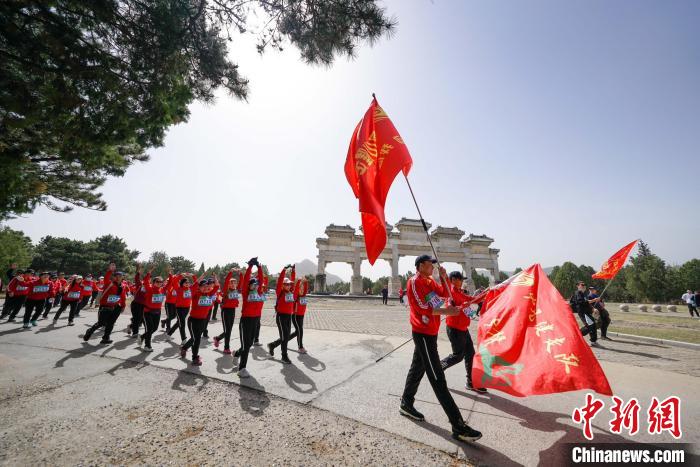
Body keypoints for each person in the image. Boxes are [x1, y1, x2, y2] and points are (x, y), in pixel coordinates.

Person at [399, 254, 482, 443]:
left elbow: (444, 295)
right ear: (421, 265)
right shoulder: (414, 281)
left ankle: (406, 403)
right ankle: (458, 425)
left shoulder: (430, 281)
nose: (433, 267)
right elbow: (421, 308)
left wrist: (444, 279)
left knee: (417, 368)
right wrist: (447, 311)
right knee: (437, 378)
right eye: (430, 264)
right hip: (423, 334)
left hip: (431, 332)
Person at [440, 271, 487, 393]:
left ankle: (471, 382)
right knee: (457, 356)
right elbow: (449, 309)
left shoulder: (461, 293)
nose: (462, 282)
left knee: (470, 355)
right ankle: (438, 368)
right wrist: (460, 307)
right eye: (460, 279)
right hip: (455, 329)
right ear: (454, 280)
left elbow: (473, 300)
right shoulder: (450, 293)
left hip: (463, 329)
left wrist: (487, 293)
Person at [235, 258, 265, 378]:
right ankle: (242, 369)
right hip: (246, 321)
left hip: (256, 321)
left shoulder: (260, 294)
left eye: (256, 284)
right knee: (246, 346)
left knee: (248, 344)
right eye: (253, 284)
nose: (255, 286)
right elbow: (246, 280)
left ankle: (236, 354)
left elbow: (261, 279)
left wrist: (259, 268)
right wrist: (249, 267)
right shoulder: (246, 293)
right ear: (249, 286)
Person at [83, 264, 127, 344]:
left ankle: (106, 338)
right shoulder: (109, 283)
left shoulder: (123, 286)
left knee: (111, 323)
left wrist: (123, 306)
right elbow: (106, 277)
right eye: (116, 276)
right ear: (113, 277)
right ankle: (89, 331)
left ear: (122, 277)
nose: (118, 277)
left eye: (120, 276)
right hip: (105, 306)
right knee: (101, 323)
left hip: (116, 307)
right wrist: (110, 270)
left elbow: (123, 297)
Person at [180, 275, 219, 365]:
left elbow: (216, 286)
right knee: (196, 339)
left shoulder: (210, 294)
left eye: (207, 286)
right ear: (199, 287)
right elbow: (193, 287)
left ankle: (184, 348)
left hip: (202, 320)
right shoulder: (195, 294)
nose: (206, 288)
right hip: (193, 320)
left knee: (195, 338)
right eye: (203, 286)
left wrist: (215, 278)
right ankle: (195, 357)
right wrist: (199, 278)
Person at [267, 264, 296, 364]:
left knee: (286, 336)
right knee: (284, 337)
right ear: (283, 285)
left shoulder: (291, 292)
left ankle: (273, 345)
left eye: (289, 284)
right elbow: (279, 281)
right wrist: (284, 270)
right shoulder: (280, 291)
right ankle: (284, 356)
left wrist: (293, 271)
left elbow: (293, 281)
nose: (289, 286)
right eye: (286, 284)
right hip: (281, 316)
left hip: (289, 316)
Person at [139, 268, 170, 352]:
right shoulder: (149, 288)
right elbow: (145, 281)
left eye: (161, 282)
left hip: (157, 312)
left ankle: (142, 337)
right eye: (157, 282)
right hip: (148, 312)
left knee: (155, 328)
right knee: (149, 329)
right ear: (153, 282)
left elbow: (170, 283)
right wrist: (149, 272)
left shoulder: (162, 290)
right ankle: (147, 345)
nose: (159, 283)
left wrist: (170, 274)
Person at [213, 269, 242, 355]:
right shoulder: (226, 290)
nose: (233, 284)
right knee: (228, 330)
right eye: (231, 283)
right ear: (229, 284)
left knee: (228, 330)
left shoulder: (237, 290)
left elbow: (242, 282)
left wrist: (240, 273)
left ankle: (217, 338)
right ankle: (226, 348)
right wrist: (231, 272)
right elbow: (226, 281)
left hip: (232, 311)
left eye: (235, 283)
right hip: (225, 311)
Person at [569, 281, 600, 347]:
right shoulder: (578, 293)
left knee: (593, 325)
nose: (584, 286)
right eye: (582, 285)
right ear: (578, 286)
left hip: (586, 312)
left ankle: (593, 341)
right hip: (582, 312)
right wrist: (594, 300)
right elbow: (582, 302)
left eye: (585, 284)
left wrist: (593, 308)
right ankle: (576, 336)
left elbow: (586, 303)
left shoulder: (583, 293)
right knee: (589, 325)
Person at [167, 273, 195, 343]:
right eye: (185, 282)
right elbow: (174, 282)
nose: (187, 283)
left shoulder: (190, 288)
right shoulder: (178, 288)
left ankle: (169, 333)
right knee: (182, 323)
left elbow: (196, 283)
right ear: (182, 283)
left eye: (188, 282)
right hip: (179, 308)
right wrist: (181, 275)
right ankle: (184, 339)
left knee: (179, 322)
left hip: (187, 308)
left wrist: (193, 276)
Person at [289, 276, 309, 353]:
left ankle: (284, 340)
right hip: (295, 315)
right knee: (300, 330)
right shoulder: (295, 295)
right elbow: (296, 290)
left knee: (298, 331)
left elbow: (305, 288)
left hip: (301, 315)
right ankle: (300, 347)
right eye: (300, 288)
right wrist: (299, 282)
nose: (302, 289)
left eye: (303, 288)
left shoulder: (303, 295)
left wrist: (305, 282)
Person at [128, 264, 147, 337]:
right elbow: (136, 278)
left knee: (140, 319)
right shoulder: (140, 284)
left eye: (149, 279)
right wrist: (138, 270)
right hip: (136, 304)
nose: (148, 280)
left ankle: (130, 326)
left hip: (144, 305)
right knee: (137, 319)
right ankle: (135, 333)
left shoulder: (150, 287)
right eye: (146, 278)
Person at [161, 268, 178, 333]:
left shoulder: (177, 286)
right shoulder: (168, 286)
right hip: (168, 304)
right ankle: (168, 327)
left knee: (174, 316)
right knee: (169, 316)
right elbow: (170, 282)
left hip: (175, 304)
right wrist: (170, 274)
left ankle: (164, 321)